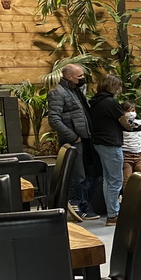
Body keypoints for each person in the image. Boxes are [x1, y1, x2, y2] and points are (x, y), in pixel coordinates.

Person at [90, 74, 141, 226]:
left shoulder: (95, 102)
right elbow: (126, 124)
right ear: (113, 86)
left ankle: (112, 211)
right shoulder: (110, 103)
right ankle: (113, 214)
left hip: (99, 143)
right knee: (116, 180)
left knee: (108, 179)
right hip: (111, 144)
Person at [47, 63, 100, 221]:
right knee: (79, 174)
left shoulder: (77, 90)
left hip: (87, 138)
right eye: (80, 76)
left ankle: (84, 203)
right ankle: (77, 203)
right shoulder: (58, 93)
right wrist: (72, 136)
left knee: (90, 172)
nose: (83, 78)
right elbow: (54, 119)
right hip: (75, 140)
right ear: (69, 77)